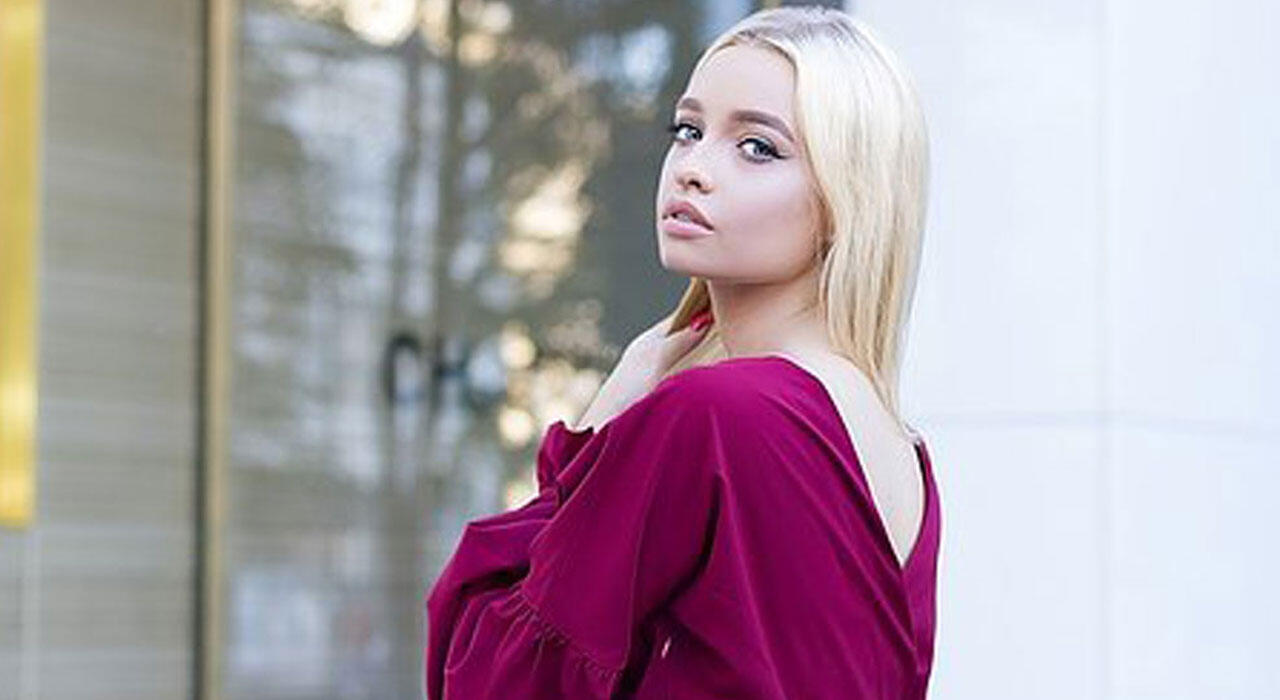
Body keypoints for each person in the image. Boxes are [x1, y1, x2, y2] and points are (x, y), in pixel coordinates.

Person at [424, 5, 939, 698]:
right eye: (688, 131)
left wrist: (600, 424)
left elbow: (491, 678)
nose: (693, 169)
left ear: (847, 199)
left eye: (757, 147)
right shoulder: (899, 450)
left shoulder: (716, 414)